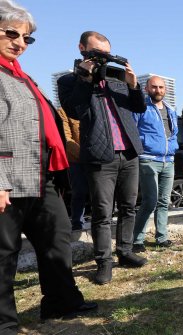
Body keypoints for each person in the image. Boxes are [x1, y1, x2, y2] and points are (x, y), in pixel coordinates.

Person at [0, 1, 98, 332]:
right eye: (12, 33)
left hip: (42, 175)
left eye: (26, 38)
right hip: (8, 179)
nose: (20, 43)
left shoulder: (20, 75)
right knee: (4, 255)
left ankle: (60, 303)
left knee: (56, 240)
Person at [58, 31, 148, 285]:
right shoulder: (69, 81)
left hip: (129, 152)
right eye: (97, 52)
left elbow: (138, 107)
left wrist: (133, 85)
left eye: (106, 54)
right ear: (82, 49)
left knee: (129, 206)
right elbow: (73, 109)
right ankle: (104, 262)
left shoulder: (116, 77)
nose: (102, 58)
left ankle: (126, 252)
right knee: (102, 212)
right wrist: (84, 78)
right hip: (100, 156)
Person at [132, 76, 179, 252]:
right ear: (146, 88)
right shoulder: (141, 107)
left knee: (164, 202)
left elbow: (174, 133)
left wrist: (173, 148)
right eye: (154, 87)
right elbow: (133, 131)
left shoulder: (170, 109)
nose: (158, 90)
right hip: (148, 160)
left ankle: (162, 237)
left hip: (169, 161)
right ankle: (137, 240)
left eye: (161, 87)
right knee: (149, 201)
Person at [55, 107, 89, 230]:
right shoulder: (63, 111)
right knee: (78, 192)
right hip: (76, 159)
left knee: (100, 193)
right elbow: (66, 138)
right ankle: (77, 223)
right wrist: (85, 155)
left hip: (95, 157)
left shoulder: (91, 105)